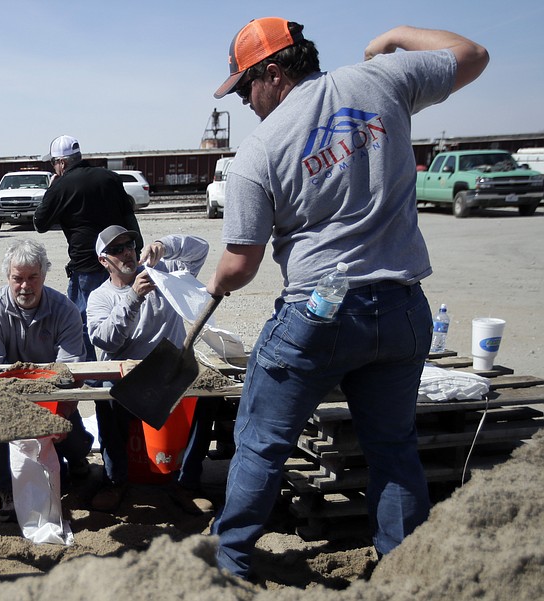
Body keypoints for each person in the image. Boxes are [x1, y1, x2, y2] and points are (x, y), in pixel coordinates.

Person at [205, 17, 489, 580]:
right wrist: (397, 37)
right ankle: (405, 571)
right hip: (404, 308)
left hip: (321, 312)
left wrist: (213, 287)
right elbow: (474, 54)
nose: (245, 103)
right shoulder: (383, 78)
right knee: (392, 445)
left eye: (245, 88)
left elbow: (241, 264)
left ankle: (228, 566)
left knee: (261, 441)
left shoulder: (259, 151)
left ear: (274, 73)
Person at [86, 225, 217, 513]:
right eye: (117, 249)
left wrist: (165, 244)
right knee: (105, 398)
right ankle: (115, 480)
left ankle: (187, 483)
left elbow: (201, 250)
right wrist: (133, 297)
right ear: (103, 260)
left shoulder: (163, 271)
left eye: (129, 244)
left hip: (170, 368)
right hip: (128, 376)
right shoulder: (100, 297)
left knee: (207, 399)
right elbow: (104, 339)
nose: (127, 252)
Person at [0, 238, 94, 522]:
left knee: (71, 435)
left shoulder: (65, 310)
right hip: (6, 398)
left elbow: (70, 369)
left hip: (51, 396)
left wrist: (57, 410)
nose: (25, 286)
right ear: (8, 277)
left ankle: (76, 459)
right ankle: (6, 489)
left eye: (32, 278)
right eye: (18, 279)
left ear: (44, 275)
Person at [33, 135, 141, 361]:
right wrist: (136, 249)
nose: (54, 167)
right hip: (120, 260)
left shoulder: (61, 185)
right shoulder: (109, 177)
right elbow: (128, 213)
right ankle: (125, 367)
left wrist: (51, 191)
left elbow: (40, 223)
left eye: (53, 163)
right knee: (128, 314)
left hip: (86, 266)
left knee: (82, 324)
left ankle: (92, 377)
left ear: (61, 162)